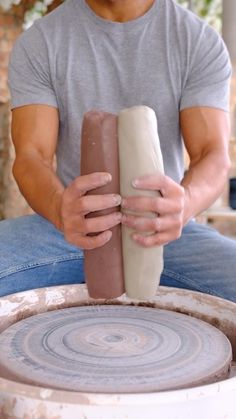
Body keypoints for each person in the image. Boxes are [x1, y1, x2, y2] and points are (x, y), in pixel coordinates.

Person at [0, 0, 236, 301]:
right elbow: (31, 157)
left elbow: (212, 155)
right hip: (69, 228)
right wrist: (60, 210)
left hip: (166, 230)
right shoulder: (41, 42)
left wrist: (185, 204)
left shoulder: (197, 40)